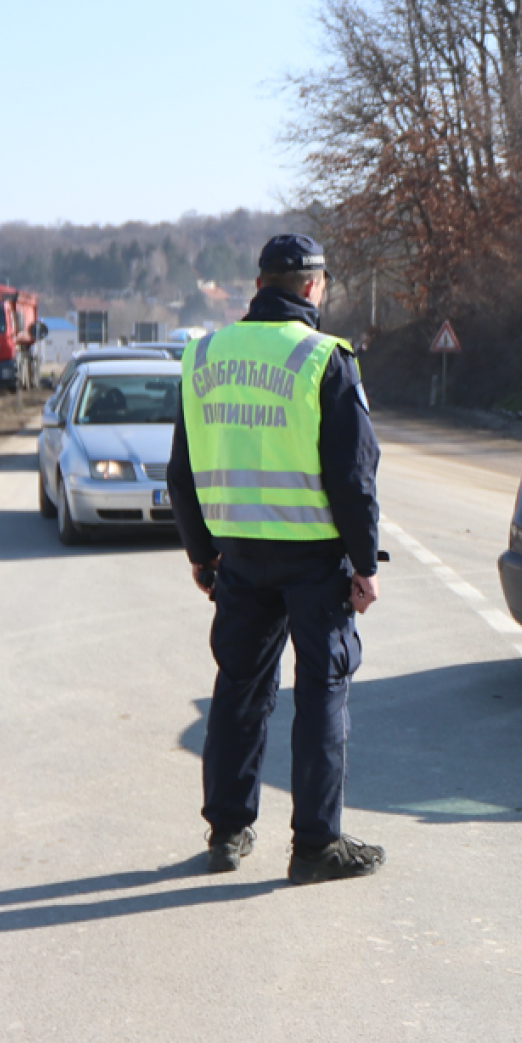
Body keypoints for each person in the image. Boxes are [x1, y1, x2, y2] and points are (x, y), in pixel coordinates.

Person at [169, 233, 387, 885]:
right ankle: (316, 844)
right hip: (315, 560)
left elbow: (181, 471)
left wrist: (202, 556)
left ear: (259, 285)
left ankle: (227, 832)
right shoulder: (325, 357)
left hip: (238, 556)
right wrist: (363, 564)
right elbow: (354, 476)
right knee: (321, 694)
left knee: (238, 691)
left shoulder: (203, 354)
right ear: (314, 288)